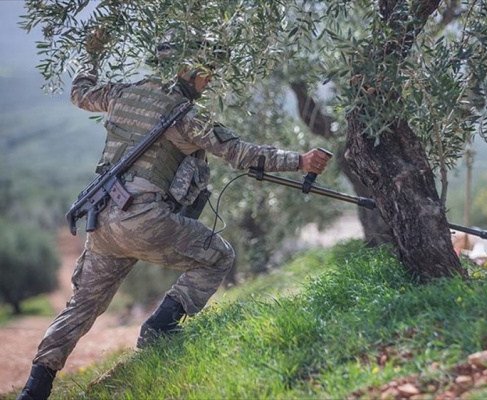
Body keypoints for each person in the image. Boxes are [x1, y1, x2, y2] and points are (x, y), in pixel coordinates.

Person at [17, 29, 332, 400]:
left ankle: (35, 388)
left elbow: (79, 92)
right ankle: (160, 327)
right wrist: (301, 161)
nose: (209, 78)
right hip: (145, 219)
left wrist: (92, 53)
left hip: (101, 221)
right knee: (218, 256)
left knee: (81, 307)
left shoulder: (123, 93)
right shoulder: (186, 117)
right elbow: (242, 154)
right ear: (184, 68)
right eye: (205, 70)